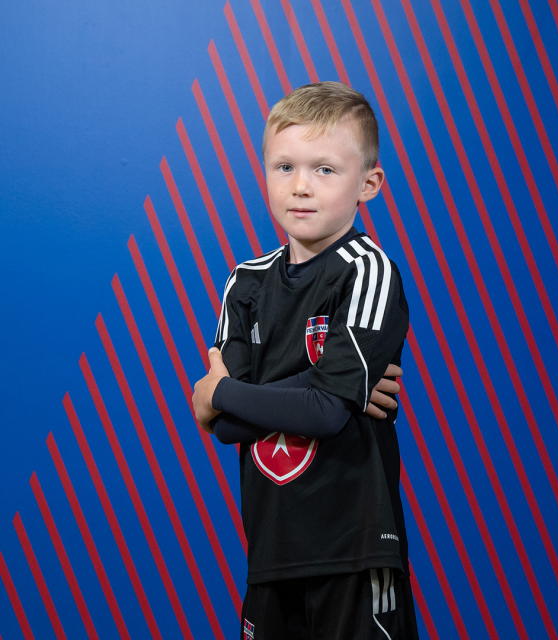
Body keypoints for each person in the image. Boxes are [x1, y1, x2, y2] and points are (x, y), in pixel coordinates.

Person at [192, 81, 418, 639]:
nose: (300, 186)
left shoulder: (367, 271)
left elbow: (323, 414)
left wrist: (217, 393)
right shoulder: (246, 283)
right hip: (271, 548)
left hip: (354, 546)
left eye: (324, 169)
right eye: (284, 166)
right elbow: (231, 428)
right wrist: (326, 386)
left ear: (369, 184)